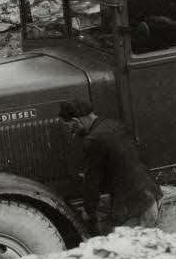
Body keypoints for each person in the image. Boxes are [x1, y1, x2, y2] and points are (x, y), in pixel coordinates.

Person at [58, 98, 162, 234]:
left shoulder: (94, 140)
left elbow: (92, 182)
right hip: (152, 192)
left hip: (137, 205)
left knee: (116, 239)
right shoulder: (115, 125)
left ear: (77, 121)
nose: (72, 132)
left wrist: (88, 211)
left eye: (71, 126)